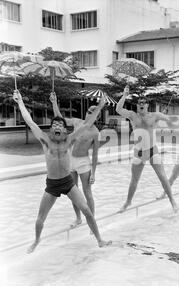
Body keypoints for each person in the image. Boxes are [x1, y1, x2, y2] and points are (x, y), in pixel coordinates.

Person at [13, 90, 111, 253]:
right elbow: (30, 122)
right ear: (51, 130)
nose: (57, 127)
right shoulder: (45, 140)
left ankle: (99, 239)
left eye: (60, 125)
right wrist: (20, 102)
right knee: (40, 219)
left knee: (86, 209)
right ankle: (37, 240)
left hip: (67, 182)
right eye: (54, 125)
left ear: (65, 130)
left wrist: (100, 106)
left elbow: (88, 124)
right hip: (52, 185)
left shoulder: (70, 139)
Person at [115, 85, 179, 213]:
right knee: (134, 180)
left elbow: (169, 121)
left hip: (152, 150)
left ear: (147, 105)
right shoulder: (132, 115)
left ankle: (172, 200)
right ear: (137, 105)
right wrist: (124, 95)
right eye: (139, 103)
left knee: (162, 176)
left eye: (144, 102)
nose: (141, 104)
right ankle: (128, 202)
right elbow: (118, 109)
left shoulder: (155, 115)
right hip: (139, 152)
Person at [50, 92, 101, 228]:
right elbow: (60, 120)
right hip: (71, 161)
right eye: (89, 111)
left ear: (96, 117)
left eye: (93, 112)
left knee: (87, 192)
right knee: (73, 192)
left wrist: (94, 173)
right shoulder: (78, 122)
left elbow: (95, 154)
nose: (89, 113)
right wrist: (54, 102)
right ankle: (78, 218)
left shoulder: (95, 132)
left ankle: (92, 220)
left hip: (84, 162)